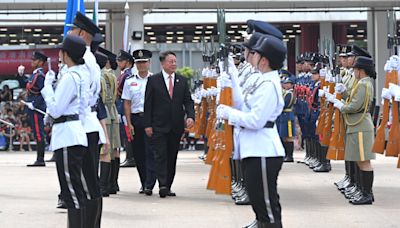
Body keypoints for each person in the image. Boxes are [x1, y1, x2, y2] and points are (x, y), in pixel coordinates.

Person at [217, 34, 287, 228]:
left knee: (268, 209)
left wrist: (229, 113)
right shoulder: (262, 81)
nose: (250, 57)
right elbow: (243, 104)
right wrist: (230, 75)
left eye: (255, 54)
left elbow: (255, 120)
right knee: (259, 204)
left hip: (263, 150)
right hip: (253, 149)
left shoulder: (269, 85)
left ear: (264, 60)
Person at [40, 34, 89, 228]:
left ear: (65, 54)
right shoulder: (78, 75)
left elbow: (55, 109)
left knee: (72, 190)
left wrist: (46, 88)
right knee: (75, 188)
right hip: (72, 132)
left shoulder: (70, 77)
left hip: (68, 135)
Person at [68, 11, 104, 226]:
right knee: (89, 182)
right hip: (88, 123)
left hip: (83, 124)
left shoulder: (85, 60)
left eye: (72, 30)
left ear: (81, 33)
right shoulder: (90, 59)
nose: (70, 33)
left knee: (85, 182)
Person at [144, 51, 195, 198]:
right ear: (162, 63)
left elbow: (188, 101)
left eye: (174, 61)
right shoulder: (153, 80)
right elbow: (148, 104)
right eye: (170, 61)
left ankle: (168, 184)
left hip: (176, 126)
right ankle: (162, 185)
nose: (174, 64)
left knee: (172, 156)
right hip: (158, 125)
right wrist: (148, 125)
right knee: (160, 155)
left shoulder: (182, 80)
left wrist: (190, 116)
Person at [333, 56, 376, 205]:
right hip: (356, 125)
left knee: (364, 161)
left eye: (356, 69)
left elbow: (354, 106)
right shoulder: (362, 83)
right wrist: (344, 93)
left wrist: (340, 105)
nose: (354, 72)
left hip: (360, 126)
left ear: (360, 70)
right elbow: (352, 99)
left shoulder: (364, 84)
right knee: (359, 160)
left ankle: (367, 194)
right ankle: (363, 191)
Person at [122, 49, 157, 195]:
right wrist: (129, 124)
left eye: (144, 62)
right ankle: (144, 182)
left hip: (151, 120)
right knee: (139, 153)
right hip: (136, 119)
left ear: (149, 63)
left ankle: (150, 183)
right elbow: (127, 104)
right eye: (139, 63)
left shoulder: (155, 80)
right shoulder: (130, 81)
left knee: (151, 152)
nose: (141, 65)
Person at [25, 51, 47, 167]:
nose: (32, 61)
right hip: (32, 108)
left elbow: (43, 92)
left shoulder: (40, 75)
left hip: (36, 109)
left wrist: (34, 103)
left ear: (40, 62)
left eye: (35, 60)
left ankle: (40, 159)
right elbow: (30, 86)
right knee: (36, 132)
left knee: (39, 133)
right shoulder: (35, 74)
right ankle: (39, 158)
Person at [117, 50, 136, 168]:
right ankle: (129, 157)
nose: (118, 63)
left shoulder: (128, 75)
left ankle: (131, 157)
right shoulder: (124, 74)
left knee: (128, 133)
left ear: (128, 62)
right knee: (125, 133)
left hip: (125, 106)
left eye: (120, 60)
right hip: (121, 106)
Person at [277, 73, 296, 162]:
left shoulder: (290, 93)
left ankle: (290, 156)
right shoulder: (285, 93)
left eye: (287, 83)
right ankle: (286, 154)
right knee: (284, 136)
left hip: (288, 116)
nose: (285, 84)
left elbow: (285, 104)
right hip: (284, 116)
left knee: (288, 136)